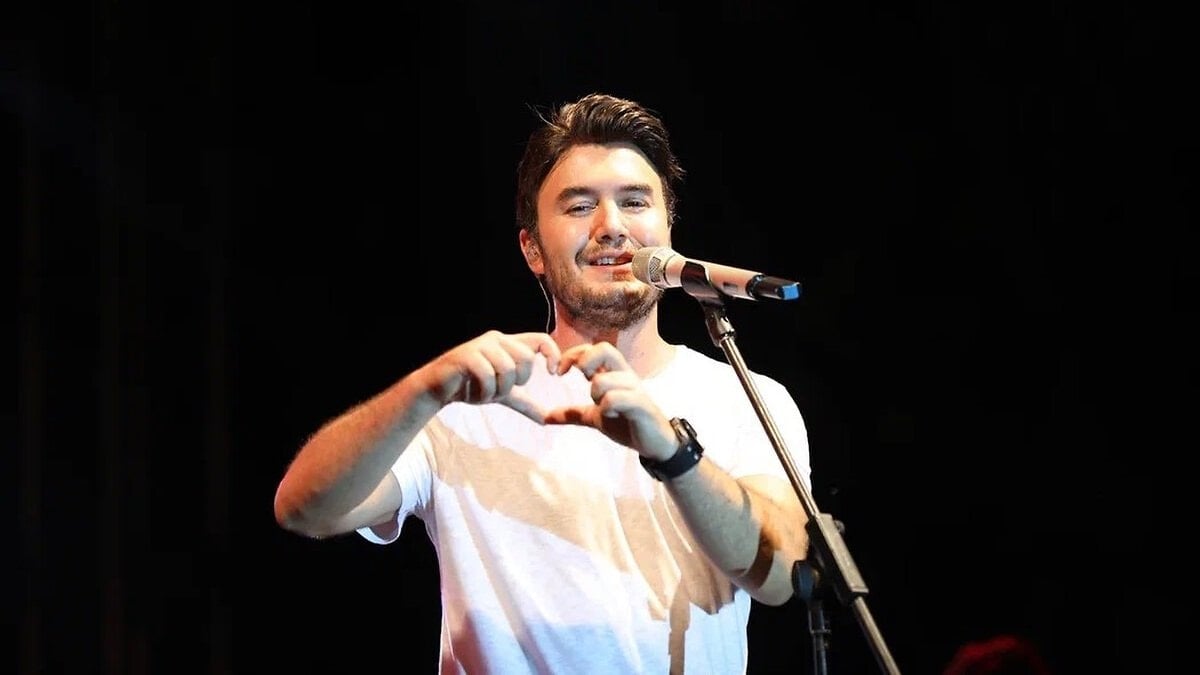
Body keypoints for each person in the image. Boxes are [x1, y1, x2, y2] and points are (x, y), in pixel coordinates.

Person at [273, 92, 813, 674]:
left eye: (634, 202)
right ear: (532, 248)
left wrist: (672, 451)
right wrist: (423, 390)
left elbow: (782, 577)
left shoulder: (747, 397)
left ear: (667, 227)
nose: (612, 227)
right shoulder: (468, 402)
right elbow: (306, 510)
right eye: (580, 206)